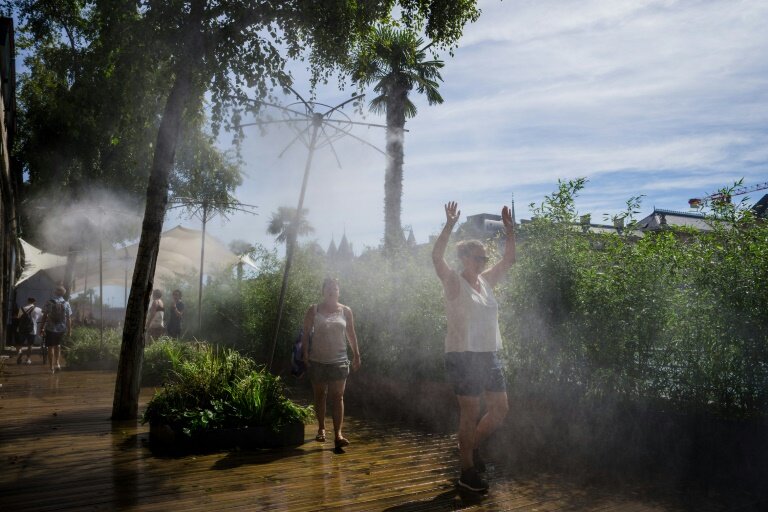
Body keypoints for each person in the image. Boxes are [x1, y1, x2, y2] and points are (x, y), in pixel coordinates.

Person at [432, 201, 516, 493]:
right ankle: (466, 471)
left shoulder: (486, 281)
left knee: (500, 409)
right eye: (478, 257)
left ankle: (471, 448)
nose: (482, 262)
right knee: (469, 413)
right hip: (462, 356)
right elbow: (435, 256)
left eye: (484, 257)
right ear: (465, 257)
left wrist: (510, 232)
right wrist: (449, 225)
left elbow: (508, 261)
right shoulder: (454, 282)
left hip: (488, 354)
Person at [301, 277, 361, 450]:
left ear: (338, 291)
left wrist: (356, 354)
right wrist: (305, 353)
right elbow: (305, 333)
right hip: (317, 360)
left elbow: (351, 334)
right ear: (323, 291)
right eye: (328, 288)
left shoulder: (346, 311)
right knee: (320, 395)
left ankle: (338, 435)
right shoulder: (313, 310)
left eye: (334, 288)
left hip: (339, 360)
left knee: (338, 396)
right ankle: (321, 429)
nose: (331, 291)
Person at [41, 286, 73, 374]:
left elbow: (44, 316)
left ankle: (51, 367)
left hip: (50, 328)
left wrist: (41, 328)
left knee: (50, 347)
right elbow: (69, 318)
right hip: (61, 328)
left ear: (55, 292)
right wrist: (69, 330)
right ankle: (57, 363)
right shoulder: (66, 303)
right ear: (63, 293)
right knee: (58, 345)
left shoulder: (49, 302)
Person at [16, 297, 43, 365]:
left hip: (21, 329)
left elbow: (18, 317)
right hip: (32, 329)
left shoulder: (21, 308)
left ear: (28, 301)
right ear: (34, 302)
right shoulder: (38, 309)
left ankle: (20, 352)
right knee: (30, 345)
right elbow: (43, 316)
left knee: (20, 343)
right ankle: (28, 359)